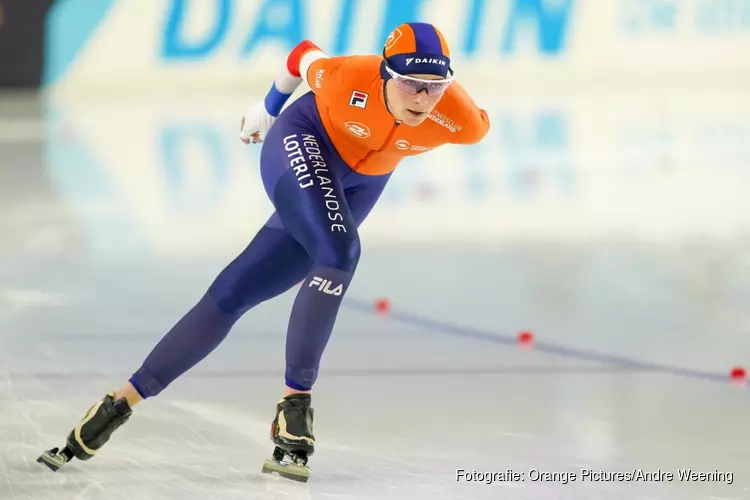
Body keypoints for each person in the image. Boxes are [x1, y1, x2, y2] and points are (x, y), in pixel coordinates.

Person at [37, 21, 490, 481]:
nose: (422, 98)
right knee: (339, 250)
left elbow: (468, 119)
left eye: (435, 87)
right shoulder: (345, 77)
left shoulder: (460, 119)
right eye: (411, 83)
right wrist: (269, 107)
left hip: (359, 186)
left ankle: (118, 403)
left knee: (235, 291)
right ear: (385, 75)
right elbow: (301, 54)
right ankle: (296, 407)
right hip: (303, 140)